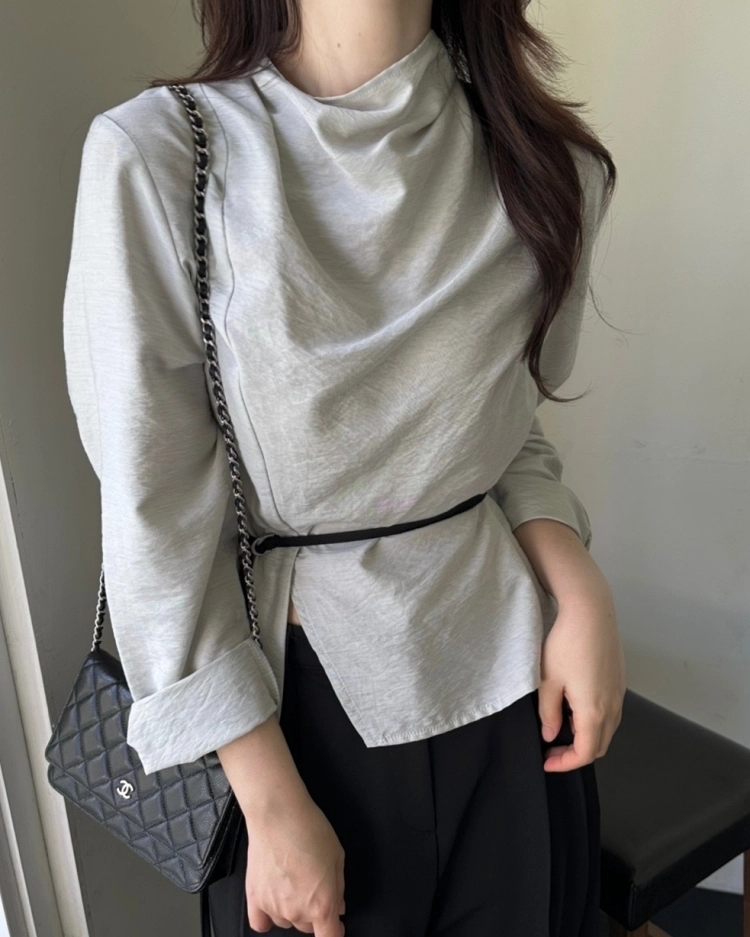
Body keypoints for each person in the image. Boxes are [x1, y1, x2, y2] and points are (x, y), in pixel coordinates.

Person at [61, 1, 626, 935]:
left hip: (513, 687)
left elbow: (503, 436)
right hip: (294, 724)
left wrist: (580, 586)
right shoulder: (161, 157)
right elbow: (154, 518)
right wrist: (269, 799)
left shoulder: (548, 166)